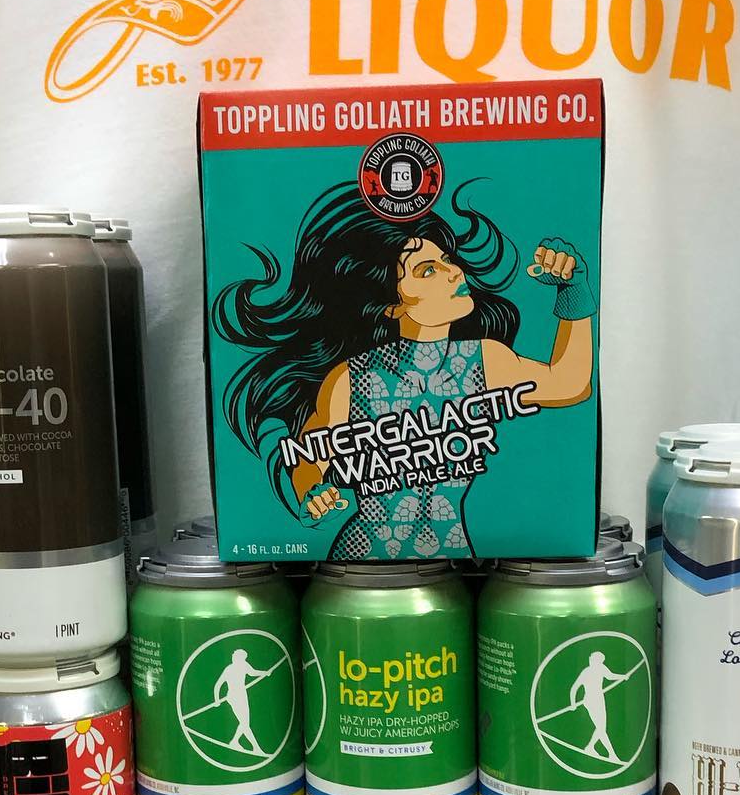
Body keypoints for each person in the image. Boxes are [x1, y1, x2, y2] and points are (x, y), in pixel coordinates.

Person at [215, 183, 596, 559]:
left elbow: (570, 384)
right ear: (390, 304)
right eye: (428, 271)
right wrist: (313, 492)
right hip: (362, 559)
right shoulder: (353, 379)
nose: (453, 272)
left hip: (453, 555)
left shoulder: (483, 359)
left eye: (447, 259)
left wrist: (572, 289)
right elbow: (309, 455)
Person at [570, 650, 627, 763]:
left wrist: (623, 676)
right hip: (590, 701)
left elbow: (610, 676)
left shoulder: (601, 668)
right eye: (591, 658)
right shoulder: (586, 672)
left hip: (600, 700)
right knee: (601, 728)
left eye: (594, 659)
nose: (591, 660)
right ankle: (612, 754)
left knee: (601, 728)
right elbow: (575, 687)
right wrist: (573, 703)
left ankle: (590, 747)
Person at [212, 646, 260, 756]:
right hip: (234, 697)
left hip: (242, 695)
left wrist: (264, 673)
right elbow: (218, 684)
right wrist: (216, 700)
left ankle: (234, 741)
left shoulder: (244, 665)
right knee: (245, 723)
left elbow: (253, 673)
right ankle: (256, 748)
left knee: (244, 723)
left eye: (235, 656)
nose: (233, 657)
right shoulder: (229, 669)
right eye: (233, 655)